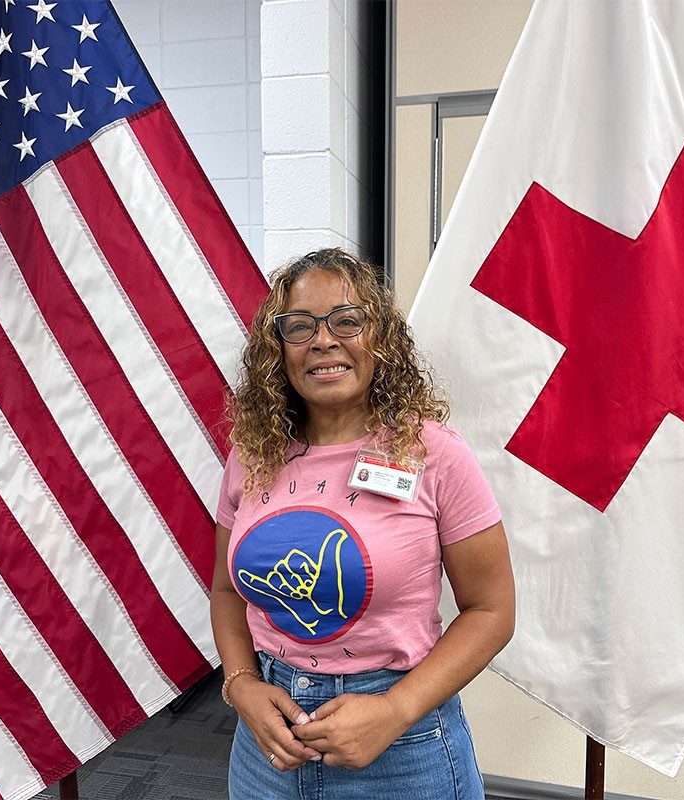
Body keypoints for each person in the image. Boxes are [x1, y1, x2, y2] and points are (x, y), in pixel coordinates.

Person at [211, 248, 515, 800]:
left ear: (380, 339)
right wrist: (242, 685)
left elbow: (492, 612)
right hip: (267, 746)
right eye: (299, 326)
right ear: (277, 351)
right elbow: (227, 590)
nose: (323, 340)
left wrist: (395, 710)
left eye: (347, 321)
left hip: (402, 744)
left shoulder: (435, 454)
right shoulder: (251, 454)